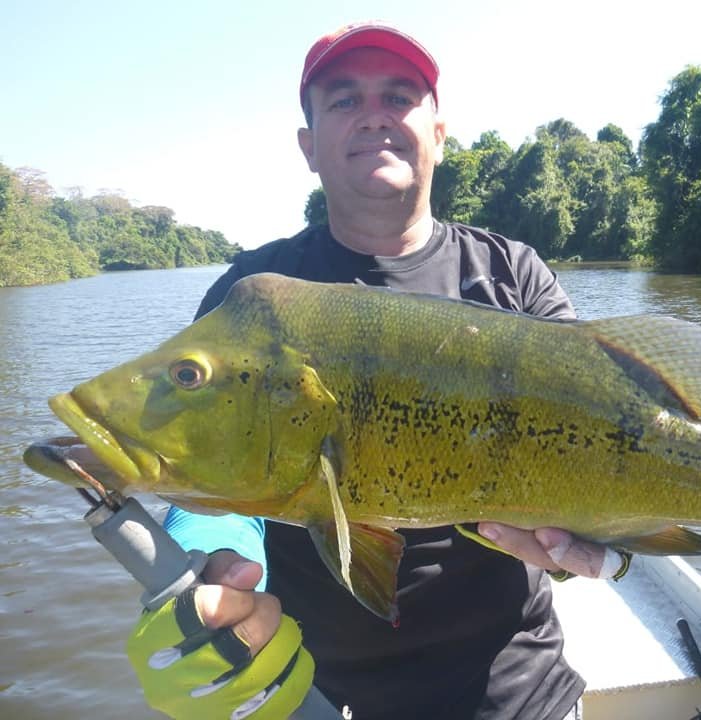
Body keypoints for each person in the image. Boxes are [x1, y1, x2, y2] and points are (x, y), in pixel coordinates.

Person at [126, 22, 625, 720]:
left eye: (399, 95)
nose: (375, 115)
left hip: (516, 693)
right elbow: (210, 466)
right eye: (343, 100)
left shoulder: (512, 274)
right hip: (317, 694)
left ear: (439, 131)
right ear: (308, 146)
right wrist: (213, 552)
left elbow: (617, 439)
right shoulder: (257, 294)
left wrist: (611, 548)